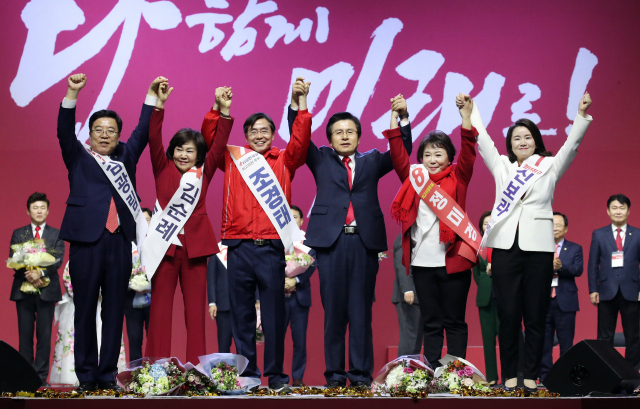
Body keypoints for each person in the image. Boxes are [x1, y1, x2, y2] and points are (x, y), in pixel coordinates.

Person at [466, 91, 592, 392]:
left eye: (527, 137)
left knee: (535, 315)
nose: (521, 142)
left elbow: (571, 145)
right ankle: (510, 373)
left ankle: (532, 375)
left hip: (538, 250)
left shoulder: (549, 166)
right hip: (506, 249)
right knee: (508, 314)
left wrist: (581, 116)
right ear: (510, 144)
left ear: (536, 140)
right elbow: (482, 139)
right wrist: (470, 114)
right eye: (515, 138)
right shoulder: (503, 168)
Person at [287, 93, 412, 388]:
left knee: (360, 313)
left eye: (350, 131)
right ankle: (334, 377)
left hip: (363, 244)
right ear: (330, 138)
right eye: (338, 132)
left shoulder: (372, 162)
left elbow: (400, 152)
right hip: (330, 245)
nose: (345, 136)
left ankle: (359, 377)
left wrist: (402, 118)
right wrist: (299, 104)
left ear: (359, 136)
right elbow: (298, 134)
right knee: (334, 315)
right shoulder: (319, 158)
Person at [201, 78, 312, 393]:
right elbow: (211, 139)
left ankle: (276, 378)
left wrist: (301, 104)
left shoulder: (285, 159)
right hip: (238, 248)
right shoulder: (233, 157)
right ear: (245, 135)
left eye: (265, 130)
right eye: (253, 130)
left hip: (272, 250)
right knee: (242, 317)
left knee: (275, 317)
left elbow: (301, 141)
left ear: (273, 134)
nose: (259, 134)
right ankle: (249, 376)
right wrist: (219, 110)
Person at [57, 73, 164, 392]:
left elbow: (143, 132)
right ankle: (86, 375)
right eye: (98, 130)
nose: (104, 135)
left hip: (118, 243)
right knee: (85, 309)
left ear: (118, 136)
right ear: (89, 135)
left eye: (111, 131)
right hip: (85, 242)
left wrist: (151, 97)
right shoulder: (77, 156)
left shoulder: (126, 158)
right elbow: (64, 130)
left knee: (116, 309)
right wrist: (71, 94)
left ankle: (107, 375)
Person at [386, 94, 477, 370]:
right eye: (427, 155)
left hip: (454, 263)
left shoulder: (457, 178)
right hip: (423, 264)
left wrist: (465, 118)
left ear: (449, 157)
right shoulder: (414, 178)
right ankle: (435, 369)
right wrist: (395, 117)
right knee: (432, 323)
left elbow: (469, 152)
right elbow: (397, 153)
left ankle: (457, 371)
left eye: (439, 154)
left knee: (455, 321)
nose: (433, 160)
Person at [143, 84, 233, 364]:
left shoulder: (203, 173)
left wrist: (224, 111)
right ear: (172, 151)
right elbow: (153, 136)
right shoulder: (162, 166)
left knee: (195, 314)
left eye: (190, 151)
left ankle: (196, 370)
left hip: (195, 250)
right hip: (165, 248)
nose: (183, 154)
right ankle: (156, 372)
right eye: (179, 149)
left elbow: (218, 146)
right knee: (159, 313)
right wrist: (158, 106)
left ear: (198, 155)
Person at [9, 192, 65, 386]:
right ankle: (25, 379)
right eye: (35, 207)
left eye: (42, 207)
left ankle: (40, 379)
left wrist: (40, 273)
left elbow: (57, 259)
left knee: (44, 337)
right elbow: (13, 257)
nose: (39, 211)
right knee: (25, 336)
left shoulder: (57, 233)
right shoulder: (19, 233)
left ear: (48, 211)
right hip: (23, 291)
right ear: (28, 210)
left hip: (47, 292)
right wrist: (29, 273)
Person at [51, 262, 128, 386]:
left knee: (110, 329)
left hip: (103, 302)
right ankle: (82, 376)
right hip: (82, 303)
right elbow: (68, 279)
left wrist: (101, 291)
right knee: (82, 330)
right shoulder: (80, 256)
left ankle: (108, 376)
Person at [588, 194, 640, 370]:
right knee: (604, 336)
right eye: (615, 208)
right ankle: (605, 372)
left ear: (628, 211)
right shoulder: (599, 234)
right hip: (606, 291)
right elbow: (593, 263)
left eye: (622, 207)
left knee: (633, 336)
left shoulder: (638, 234)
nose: (618, 211)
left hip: (632, 291)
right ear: (608, 211)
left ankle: (632, 373)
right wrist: (593, 289)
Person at [538, 212, 583, 382]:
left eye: (558, 225)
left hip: (566, 302)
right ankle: (545, 378)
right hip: (544, 301)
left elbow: (578, 269)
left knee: (566, 344)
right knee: (544, 343)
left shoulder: (575, 248)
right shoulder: (540, 248)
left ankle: (565, 378)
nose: (554, 228)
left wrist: (561, 267)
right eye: (551, 225)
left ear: (566, 228)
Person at [284, 205, 317, 387]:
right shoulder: (276, 239)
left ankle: (297, 378)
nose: (291, 220)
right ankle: (278, 377)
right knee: (276, 340)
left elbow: (313, 263)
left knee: (300, 342)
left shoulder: (307, 242)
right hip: (278, 297)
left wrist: (295, 279)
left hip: (300, 298)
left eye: (295, 217)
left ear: (301, 220)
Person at [207, 245, 260, 353]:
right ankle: (223, 369)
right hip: (223, 305)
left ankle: (245, 369)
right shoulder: (216, 249)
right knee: (223, 344)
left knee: (244, 344)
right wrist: (212, 302)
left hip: (244, 303)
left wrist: (257, 299)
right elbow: (211, 278)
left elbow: (255, 275)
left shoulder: (245, 247)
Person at [472, 210, 499, 386]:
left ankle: (511, 376)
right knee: (488, 341)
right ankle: (492, 377)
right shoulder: (477, 246)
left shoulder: (504, 243)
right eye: (484, 223)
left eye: (491, 222)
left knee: (507, 338)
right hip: (485, 297)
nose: (488, 225)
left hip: (504, 295)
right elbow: (476, 274)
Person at [124, 207, 152, 362]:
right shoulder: (127, 244)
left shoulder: (156, 245)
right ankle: (135, 374)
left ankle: (155, 374)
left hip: (153, 301)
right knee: (134, 339)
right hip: (131, 300)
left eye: (147, 220)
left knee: (153, 339)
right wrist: (133, 283)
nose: (143, 224)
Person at [391, 233, 423, 357]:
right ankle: (403, 371)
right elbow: (403, 263)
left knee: (416, 341)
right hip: (409, 296)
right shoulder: (405, 237)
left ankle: (411, 372)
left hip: (420, 297)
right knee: (409, 340)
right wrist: (408, 289)